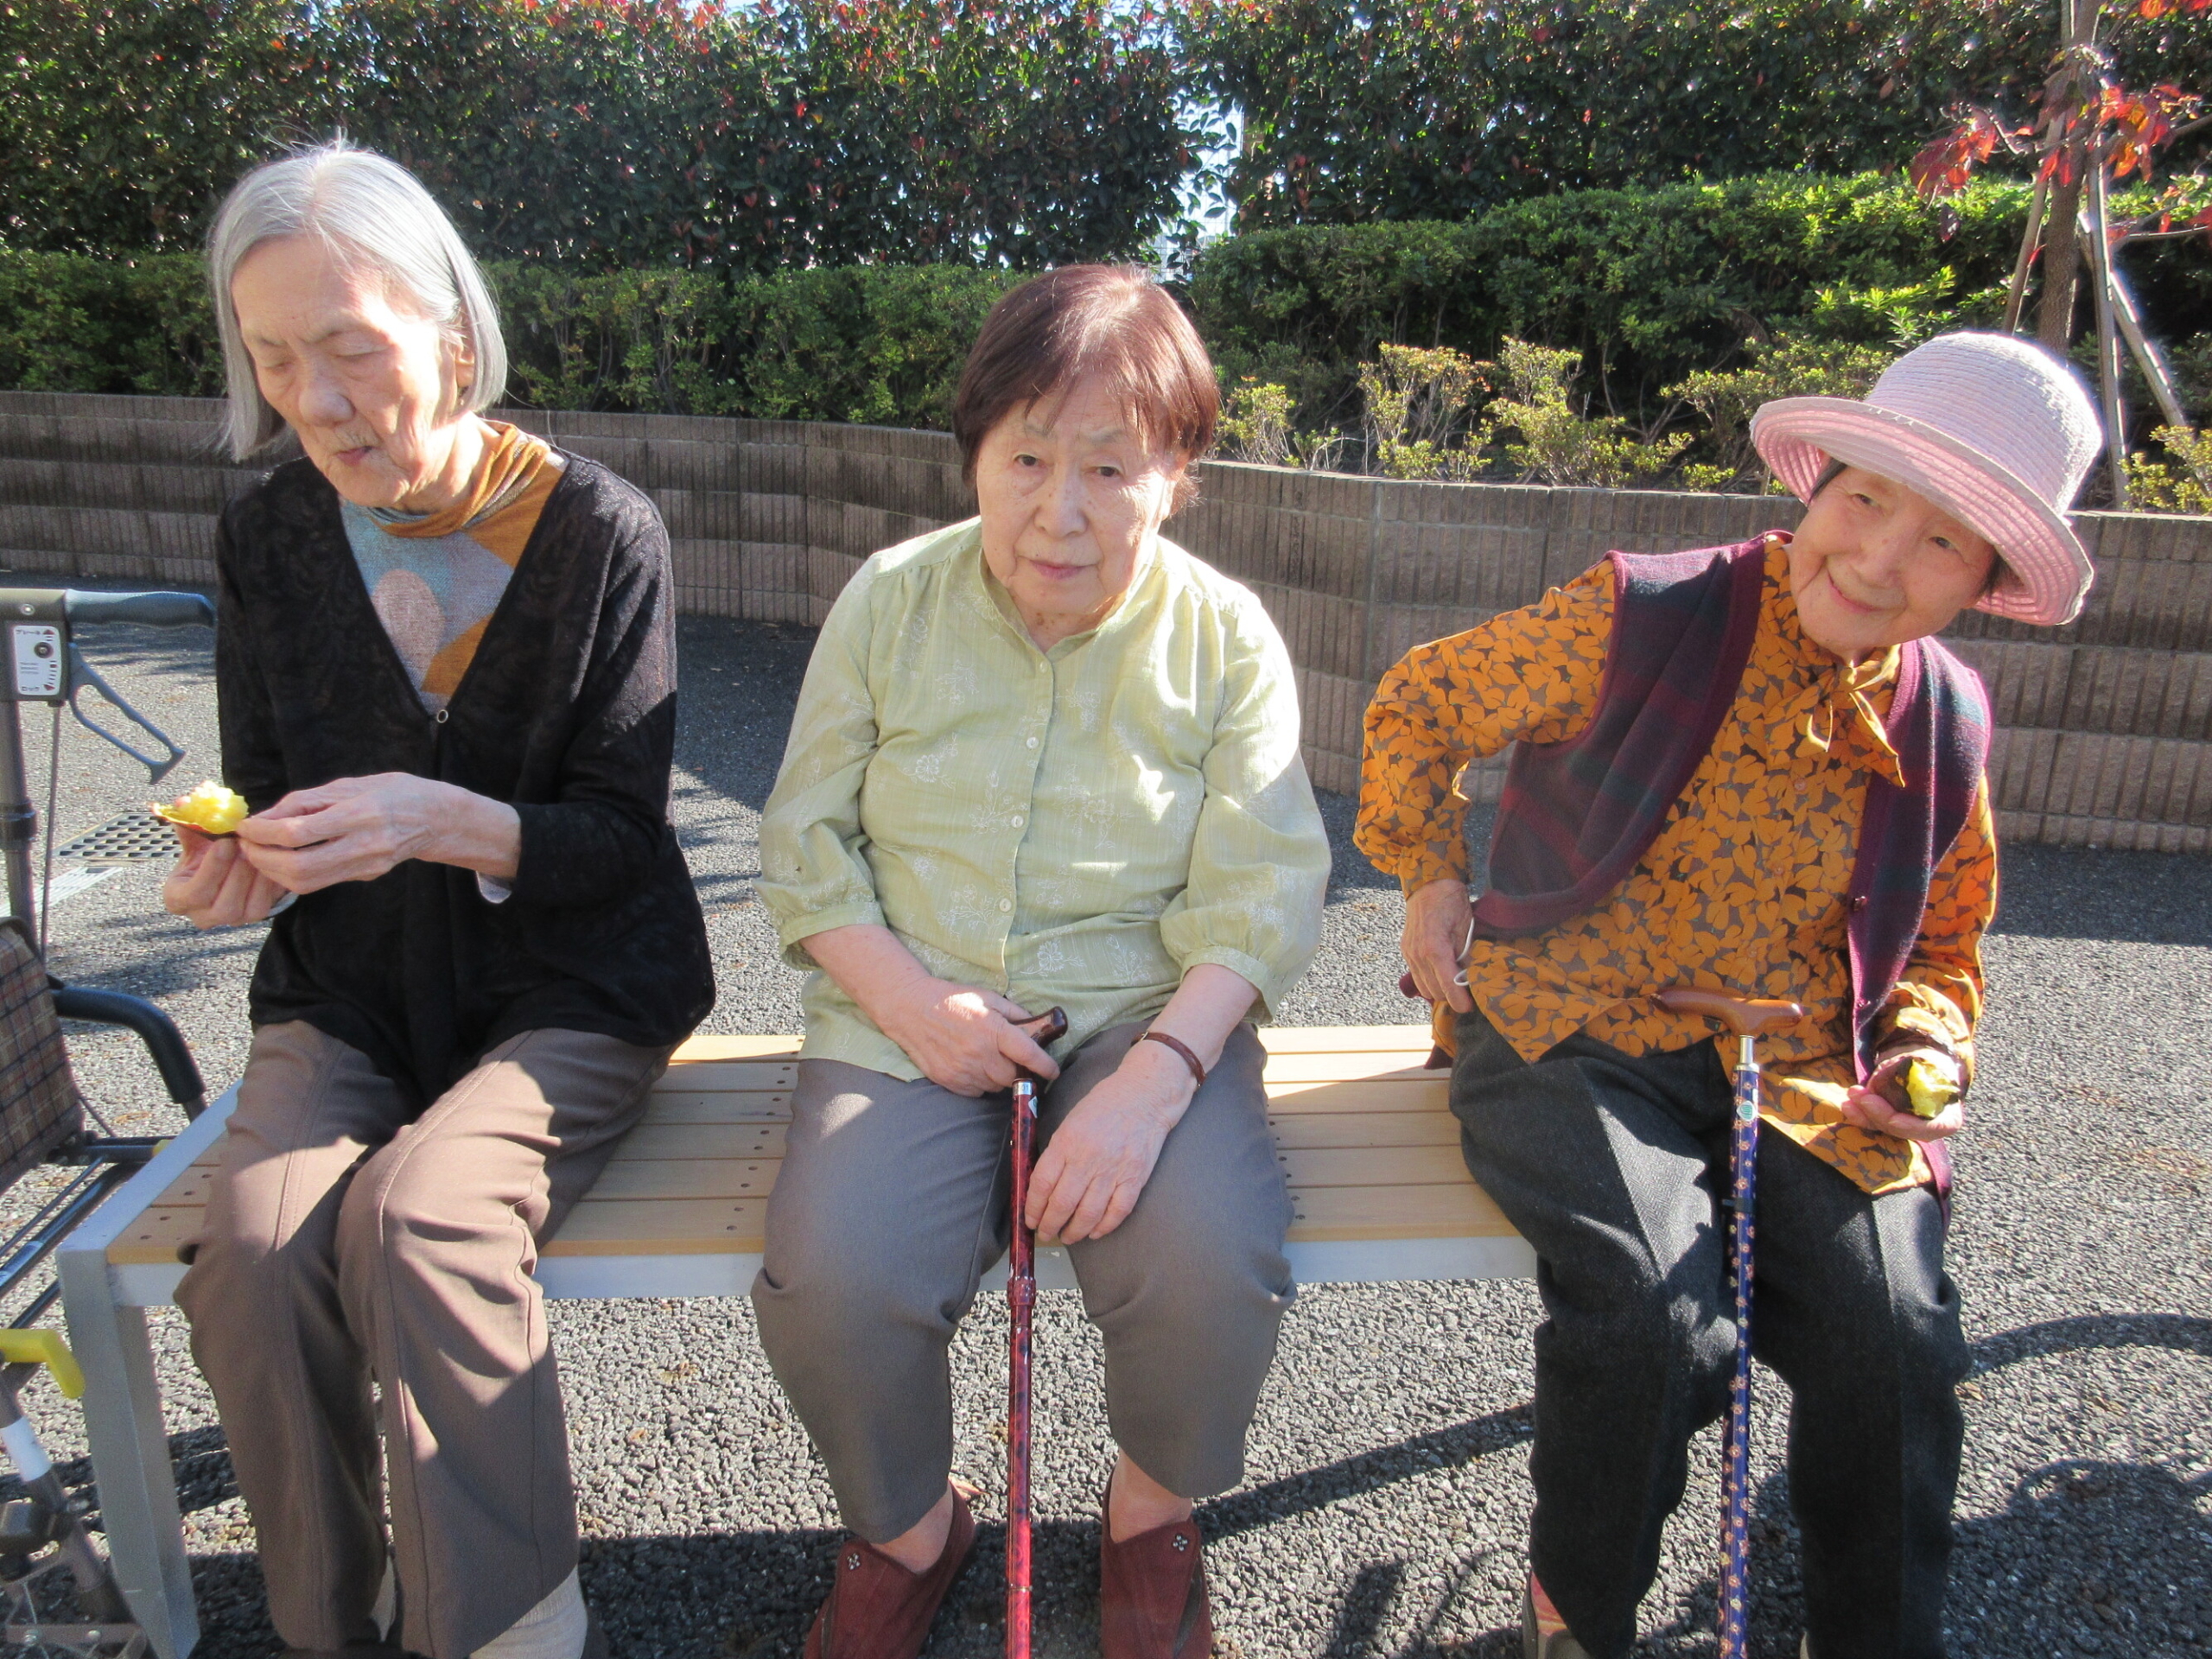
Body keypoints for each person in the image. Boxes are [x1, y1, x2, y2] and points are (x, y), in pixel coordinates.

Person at [1356, 332, 2102, 1659]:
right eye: (1865, 498)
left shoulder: (1945, 717)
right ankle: (1577, 1623)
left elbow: (1945, 947)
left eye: (1942, 543)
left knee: (1898, 1336)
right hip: (1572, 1029)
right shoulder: (1641, 613)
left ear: (1986, 583)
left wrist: (1928, 1053)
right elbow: (1419, 705)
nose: (1877, 558)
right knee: (1660, 1321)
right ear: (1818, 486)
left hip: (1808, 1062)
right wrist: (1428, 877)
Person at [164, 142, 713, 1659]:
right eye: (275, 360)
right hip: (349, 990)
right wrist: (238, 866)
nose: (315, 401)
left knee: (420, 1221)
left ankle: (506, 1631)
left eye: (352, 350)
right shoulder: (267, 534)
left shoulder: (603, 532)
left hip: (571, 993)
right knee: (255, 1255)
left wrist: (446, 819)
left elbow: (620, 843)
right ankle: (329, 1629)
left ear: (454, 339)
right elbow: (265, 784)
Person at [753, 264, 1331, 1659]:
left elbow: (1263, 887)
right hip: (910, 1010)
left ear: (1177, 475)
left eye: (1108, 468)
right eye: (1023, 457)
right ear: (975, 454)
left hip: (1146, 1017)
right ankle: (909, 1529)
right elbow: (804, 840)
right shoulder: (892, 600)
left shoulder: (1226, 636)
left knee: (1212, 1257)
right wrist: (910, 1001)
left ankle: (1148, 1522)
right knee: (833, 1273)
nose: (1056, 510)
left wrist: (1153, 1082)